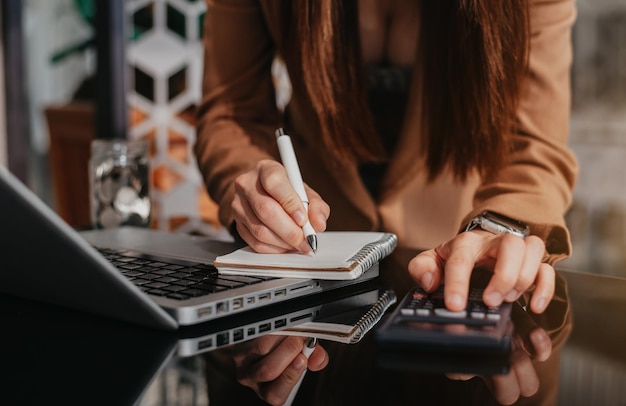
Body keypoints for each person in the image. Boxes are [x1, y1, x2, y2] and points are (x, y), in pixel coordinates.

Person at [195, 0, 577, 404]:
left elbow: (534, 142)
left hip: (451, 275)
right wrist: (255, 180)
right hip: (308, 272)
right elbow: (231, 110)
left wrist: (500, 226)